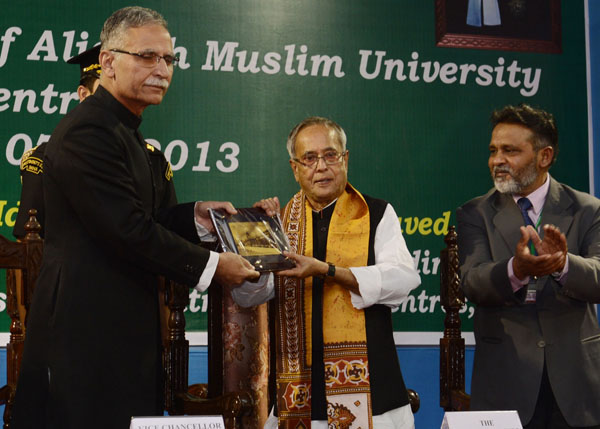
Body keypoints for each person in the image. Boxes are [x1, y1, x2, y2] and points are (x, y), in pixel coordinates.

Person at [11, 7, 259, 429]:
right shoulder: (89, 130)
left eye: (168, 59)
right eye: (147, 56)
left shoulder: (123, 129)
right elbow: (127, 231)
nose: (162, 69)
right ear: (108, 62)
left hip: (119, 331)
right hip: (83, 335)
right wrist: (215, 267)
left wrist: (197, 216)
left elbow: (149, 217)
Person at [237, 116, 421, 429]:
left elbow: (404, 281)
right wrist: (262, 243)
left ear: (345, 159)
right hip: (299, 396)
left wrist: (331, 271)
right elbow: (247, 295)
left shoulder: (374, 212)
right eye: (309, 158)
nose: (321, 166)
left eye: (330, 155)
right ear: (295, 169)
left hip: (372, 395)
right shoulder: (280, 222)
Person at [457, 104, 600, 428]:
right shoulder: (474, 213)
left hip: (577, 385)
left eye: (510, 151)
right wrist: (517, 270)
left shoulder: (588, 210)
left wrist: (563, 263)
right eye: (493, 150)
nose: (497, 161)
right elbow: (472, 282)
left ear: (544, 156)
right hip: (506, 382)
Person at [13, 44, 102, 239]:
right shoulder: (43, 158)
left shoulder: (151, 159)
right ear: (84, 94)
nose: (115, 102)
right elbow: (27, 248)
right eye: (105, 93)